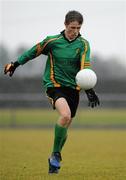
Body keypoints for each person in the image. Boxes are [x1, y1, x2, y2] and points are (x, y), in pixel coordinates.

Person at [4, 10, 100, 174]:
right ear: (65, 25)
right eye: (72, 27)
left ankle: (54, 156)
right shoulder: (52, 41)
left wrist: (89, 90)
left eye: (78, 28)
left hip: (73, 89)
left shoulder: (83, 44)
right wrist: (15, 64)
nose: (75, 31)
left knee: (66, 124)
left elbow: (85, 68)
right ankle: (56, 154)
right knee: (65, 115)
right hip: (54, 85)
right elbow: (33, 51)